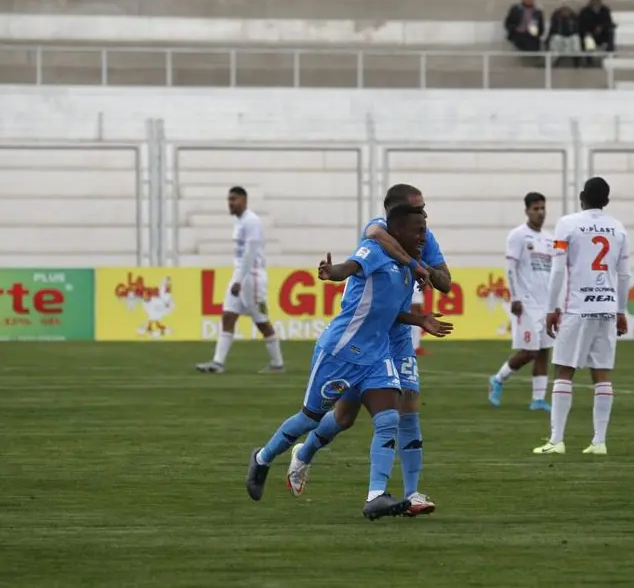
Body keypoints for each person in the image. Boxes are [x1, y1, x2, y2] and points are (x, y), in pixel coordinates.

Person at [245, 205, 453, 520]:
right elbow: (351, 266)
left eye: (424, 230)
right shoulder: (375, 249)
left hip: (376, 354)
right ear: (397, 230)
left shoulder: (411, 265)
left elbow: (388, 312)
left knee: (388, 418)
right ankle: (262, 458)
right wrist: (332, 273)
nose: (424, 237)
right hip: (341, 351)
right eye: (417, 230)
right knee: (310, 418)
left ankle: (376, 496)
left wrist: (419, 320)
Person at [533, 177, 629, 456]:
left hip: (578, 307)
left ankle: (557, 440)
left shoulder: (567, 224)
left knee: (564, 370)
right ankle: (599, 442)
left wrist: (552, 307)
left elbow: (558, 270)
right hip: (607, 307)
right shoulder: (618, 228)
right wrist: (621, 310)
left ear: (582, 196)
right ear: (607, 201)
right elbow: (624, 274)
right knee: (602, 375)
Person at [196, 186, 284, 374]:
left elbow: (250, 254)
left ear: (244, 200)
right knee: (228, 315)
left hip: (251, 278)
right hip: (240, 276)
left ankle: (277, 364)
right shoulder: (240, 222)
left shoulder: (251, 222)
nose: (230, 203)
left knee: (261, 320)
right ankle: (217, 363)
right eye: (229, 199)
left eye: (234, 199)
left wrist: (238, 279)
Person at [488, 192, 555, 412]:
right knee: (530, 351)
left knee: (544, 350)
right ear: (527, 210)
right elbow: (511, 268)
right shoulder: (517, 236)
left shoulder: (549, 238)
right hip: (526, 302)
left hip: (546, 304)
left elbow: (553, 272)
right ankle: (498, 379)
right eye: (535, 208)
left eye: (542, 208)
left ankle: (537, 399)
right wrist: (514, 297)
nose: (540, 212)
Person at [578, 0, 616, 67]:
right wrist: (587, 32)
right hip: (589, 34)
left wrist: (601, 27)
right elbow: (581, 24)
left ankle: (610, 53)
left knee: (611, 32)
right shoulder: (584, 11)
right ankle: (589, 60)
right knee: (588, 39)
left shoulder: (605, 10)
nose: (595, 3)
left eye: (597, 1)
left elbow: (609, 23)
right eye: (594, 1)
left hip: (602, 34)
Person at [546, 3, 581, 67]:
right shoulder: (556, 18)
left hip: (571, 36)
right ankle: (553, 62)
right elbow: (553, 30)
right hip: (559, 36)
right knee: (555, 39)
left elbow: (576, 29)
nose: (565, 12)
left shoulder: (574, 18)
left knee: (576, 38)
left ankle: (577, 62)